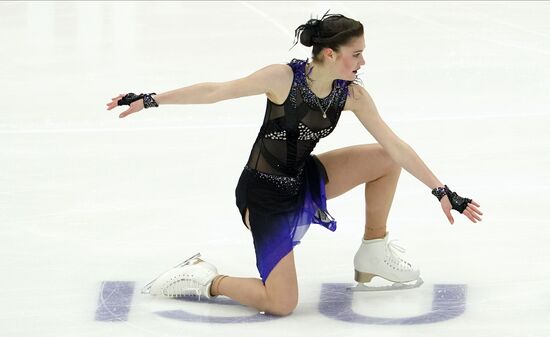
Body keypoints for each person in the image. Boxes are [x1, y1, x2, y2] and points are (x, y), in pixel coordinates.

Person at [106, 11, 483, 316]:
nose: (363, 61)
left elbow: (395, 146)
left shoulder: (351, 95)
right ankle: (202, 277)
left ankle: (374, 246)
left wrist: (441, 190)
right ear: (331, 54)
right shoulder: (282, 78)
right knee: (281, 303)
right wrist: (152, 99)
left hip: (303, 179)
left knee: (383, 158)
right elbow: (217, 91)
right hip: (263, 195)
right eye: (357, 53)